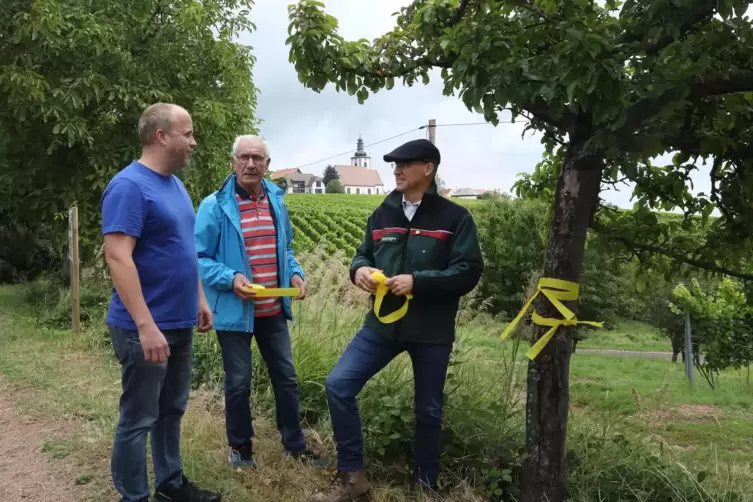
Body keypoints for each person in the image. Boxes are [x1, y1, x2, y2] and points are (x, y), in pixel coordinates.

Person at [311, 139, 484, 502]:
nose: (397, 170)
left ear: (428, 169)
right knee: (338, 384)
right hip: (381, 325)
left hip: (431, 331)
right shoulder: (382, 213)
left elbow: (468, 272)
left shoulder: (455, 218)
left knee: (429, 410)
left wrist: (418, 283)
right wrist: (358, 271)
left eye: (406, 164)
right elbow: (362, 255)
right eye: (395, 164)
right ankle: (353, 479)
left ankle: (424, 487)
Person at [101, 103, 221, 502]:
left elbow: (185, 249)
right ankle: (133, 496)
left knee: (171, 410)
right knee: (138, 418)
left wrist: (200, 297)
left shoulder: (175, 184)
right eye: (187, 133)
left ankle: (170, 484)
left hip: (180, 321)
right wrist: (145, 324)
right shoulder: (129, 187)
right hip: (144, 327)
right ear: (161, 136)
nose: (193, 142)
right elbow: (118, 256)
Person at [194, 134, 328, 469]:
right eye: (244, 157)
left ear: (268, 165)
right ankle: (240, 450)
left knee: (286, 377)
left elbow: (286, 250)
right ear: (233, 161)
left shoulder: (277, 202)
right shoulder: (214, 206)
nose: (250, 164)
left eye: (258, 158)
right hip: (235, 311)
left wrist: (295, 274)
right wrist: (230, 278)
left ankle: (295, 446)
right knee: (238, 383)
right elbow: (198, 258)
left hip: (272, 311)